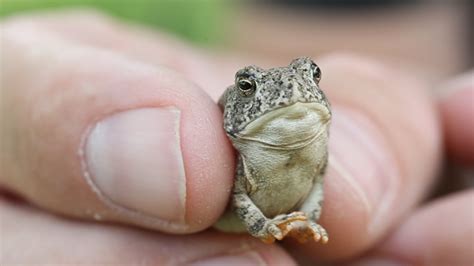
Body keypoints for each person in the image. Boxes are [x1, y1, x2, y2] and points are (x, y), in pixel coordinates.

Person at [1, 11, 472, 265]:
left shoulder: (319, 135)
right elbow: (244, 198)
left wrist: (428, 145)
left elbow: (322, 179)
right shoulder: (227, 146)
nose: (291, 93)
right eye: (247, 88)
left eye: (311, 76)